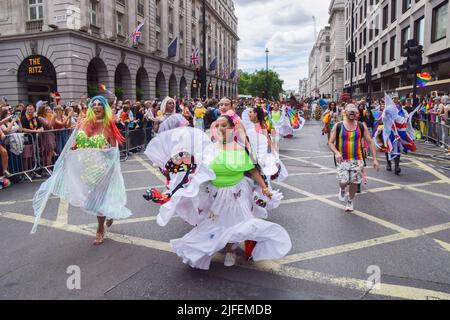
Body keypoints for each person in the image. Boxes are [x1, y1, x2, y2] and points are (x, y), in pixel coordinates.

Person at [143, 118, 291, 270]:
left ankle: (230, 251)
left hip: (238, 193)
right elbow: (193, 170)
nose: (220, 128)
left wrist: (264, 187)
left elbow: (253, 170)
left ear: (232, 128)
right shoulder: (208, 149)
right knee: (218, 224)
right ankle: (224, 248)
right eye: (217, 125)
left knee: (238, 223)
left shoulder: (244, 148)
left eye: (224, 125)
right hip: (215, 194)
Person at [31, 96, 132, 245]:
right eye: (94, 104)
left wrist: (108, 161)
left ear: (104, 108)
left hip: (103, 170)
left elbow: (113, 151)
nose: (96, 106)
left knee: (97, 201)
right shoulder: (84, 124)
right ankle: (110, 212)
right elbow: (76, 144)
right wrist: (71, 152)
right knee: (91, 200)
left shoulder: (108, 126)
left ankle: (100, 229)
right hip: (86, 170)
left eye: (100, 104)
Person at [328, 104, 380, 213]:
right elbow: (330, 142)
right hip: (342, 159)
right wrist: (337, 153)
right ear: (345, 112)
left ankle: (350, 201)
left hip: (357, 159)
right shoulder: (338, 125)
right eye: (350, 111)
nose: (352, 113)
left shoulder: (361, 126)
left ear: (357, 113)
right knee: (343, 181)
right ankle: (342, 189)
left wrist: (375, 159)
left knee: (354, 182)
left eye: (354, 111)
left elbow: (370, 141)